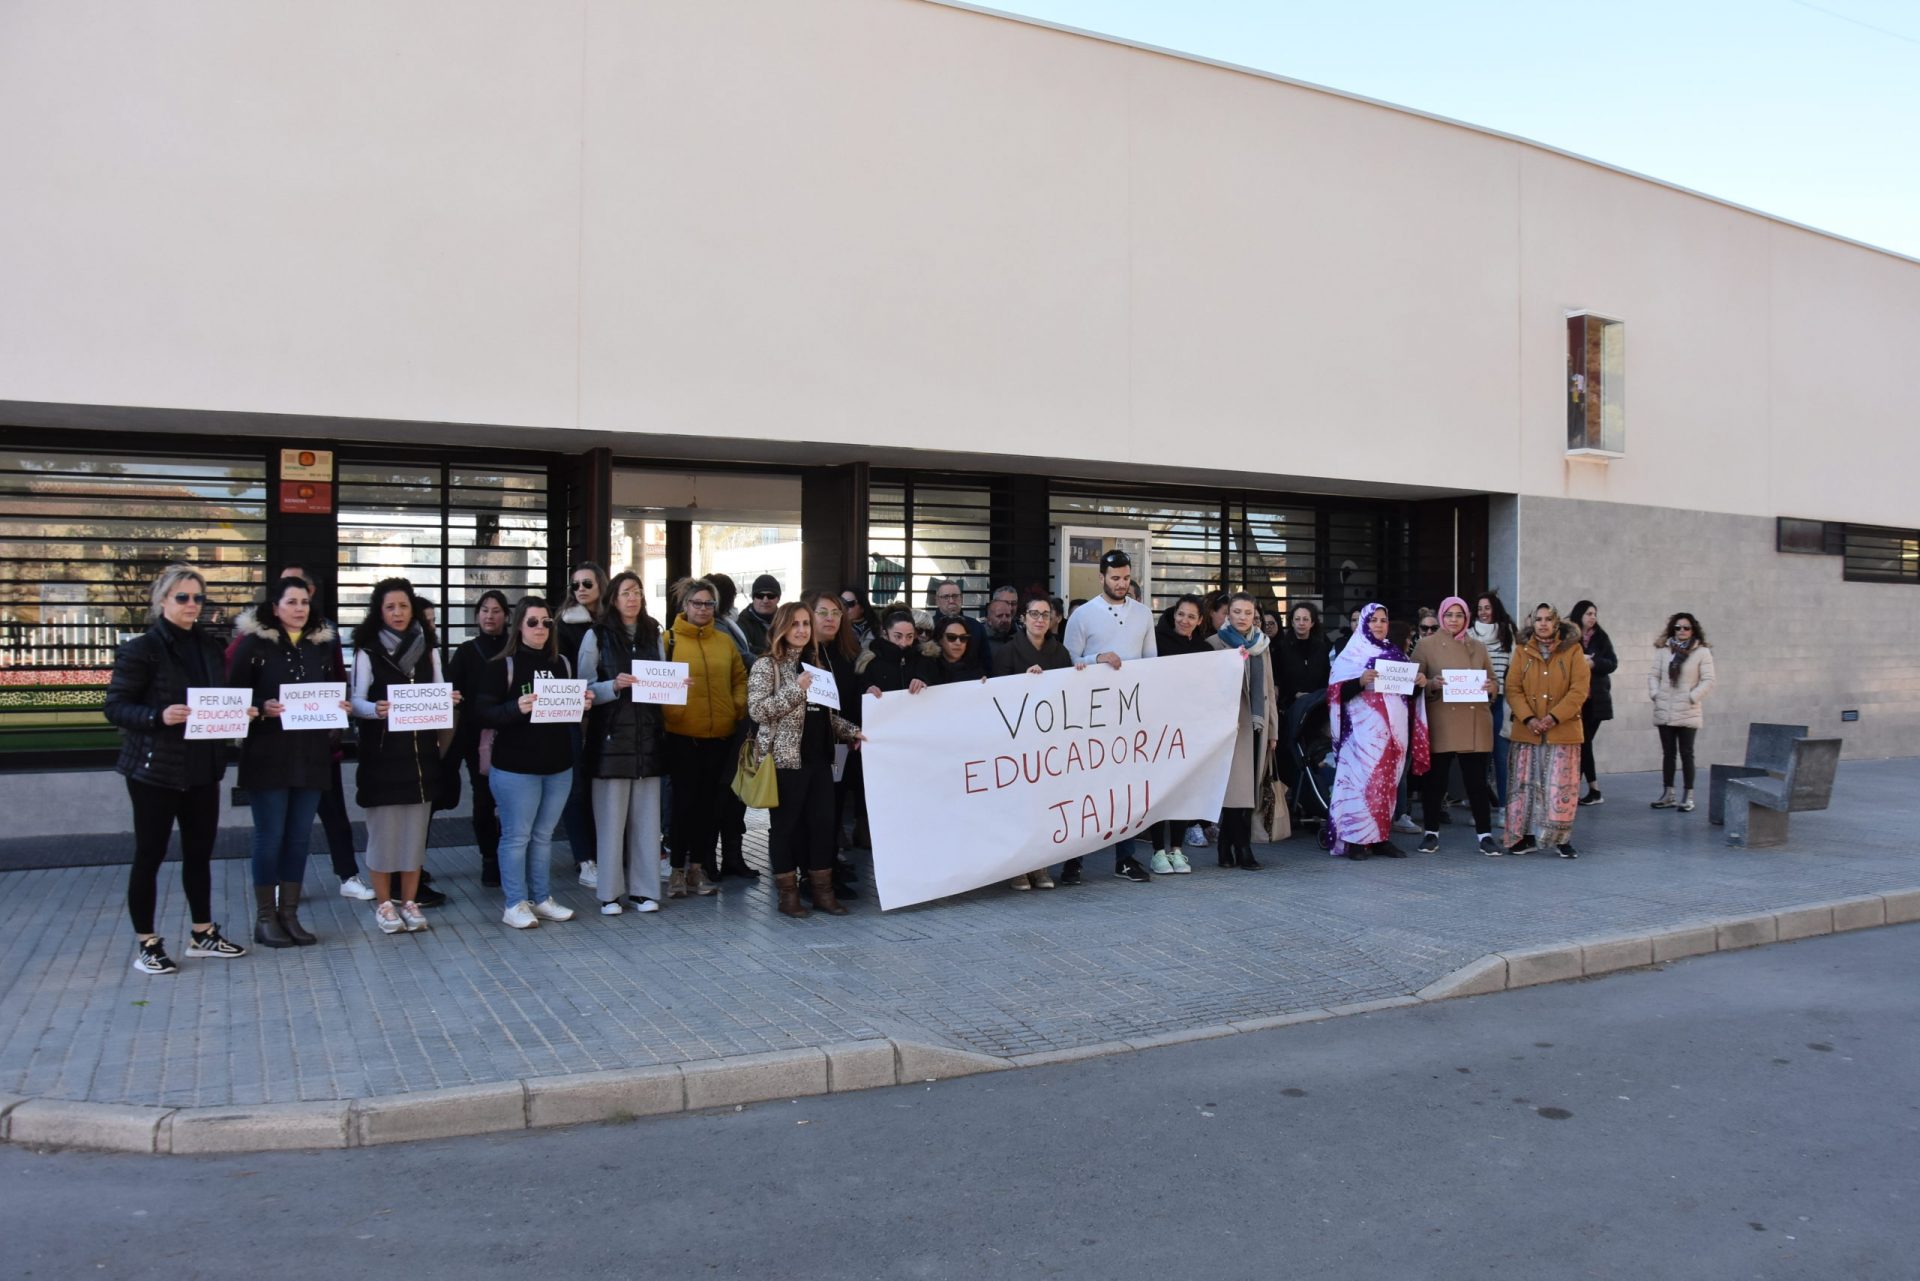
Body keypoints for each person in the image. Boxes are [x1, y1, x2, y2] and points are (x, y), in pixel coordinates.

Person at [105, 564, 252, 974]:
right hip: (154, 769)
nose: (192, 605)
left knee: (199, 854)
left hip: (202, 767)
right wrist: (159, 716)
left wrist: (240, 712)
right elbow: (115, 707)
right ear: (162, 600)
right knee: (149, 854)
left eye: (198, 598)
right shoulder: (142, 649)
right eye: (182, 597)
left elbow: (219, 699)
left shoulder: (210, 646)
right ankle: (147, 942)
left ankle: (203, 933)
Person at [228, 575, 349, 947]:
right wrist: (260, 707)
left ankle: (290, 915)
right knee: (270, 837)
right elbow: (231, 696)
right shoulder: (253, 645)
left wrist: (339, 707)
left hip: (311, 755)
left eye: (304, 602)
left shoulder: (320, 646)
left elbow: (333, 688)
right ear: (275, 606)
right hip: (268, 755)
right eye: (291, 602)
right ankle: (266, 918)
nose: (299, 609)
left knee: (298, 837)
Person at [475, 596, 592, 928]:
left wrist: (583, 703)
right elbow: (482, 713)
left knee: (543, 836)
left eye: (546, 622)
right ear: (519, 626)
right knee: (517, 837)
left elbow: (569, 712)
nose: (540, 628)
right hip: (515, 767)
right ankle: (514, 903)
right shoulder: (503, 665)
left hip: (557, 765)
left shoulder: (563, 663)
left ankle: (540, 898)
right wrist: (516, 708)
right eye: (532, 622)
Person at [349, 578, 456, 934]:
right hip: (382, 755)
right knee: (383, 834)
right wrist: (374, 709)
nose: (397, 613)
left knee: (413, 835)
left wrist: (448, 699)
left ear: (413, 610)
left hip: (420, 756)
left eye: (403, 606)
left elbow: (440, 692)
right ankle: (384, 904)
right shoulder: (367, 650)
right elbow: (356, 701)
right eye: (390, 607)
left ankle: (409, 901)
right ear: (379, 612)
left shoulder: (429, 648)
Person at [748, 603, 866, 917]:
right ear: (781, 628)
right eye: (795, 624)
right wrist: (796, 689)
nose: (801, 630)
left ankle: (822, 893)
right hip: (785, 761)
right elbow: (758, 711)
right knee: (786, 828)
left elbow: (827, 716)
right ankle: (788, 896)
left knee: (823, 826)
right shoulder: (767, 665)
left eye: (805, 624)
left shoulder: (816, 664)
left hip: (820, 759)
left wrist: (853, 731)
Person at [577, 571, 672, 916]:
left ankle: (644, 891)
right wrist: (613, 686)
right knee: (611, 822)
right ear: (613, 599)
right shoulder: (596, 635)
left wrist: (675, 685)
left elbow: (663, 678)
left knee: (647, 823)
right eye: (626, 592)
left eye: (637, 592)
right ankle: (610, 893)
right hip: (610, 740)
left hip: (648, 738)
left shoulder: (653, 633)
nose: (633, 598)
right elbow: (583, 688)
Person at [1062, 549, 1159, 883]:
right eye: (1115, 578)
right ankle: (1073, 859)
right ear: (1101, 577)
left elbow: (1151, 661)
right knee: (1083, 784)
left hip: (1130, 711)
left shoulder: (1143, 614)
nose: (1121, 583)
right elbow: (1067, 660)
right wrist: (1096, 659)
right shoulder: (1082, 615)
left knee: (1126, 786)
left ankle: (1125, 858)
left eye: (1126, 578)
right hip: (1090, 712)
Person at [662, 578, 749, 898]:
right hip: (682, 736)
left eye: (708, 603)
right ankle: (676, 871)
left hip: (720, 736)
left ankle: (697, 870)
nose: (702, 609)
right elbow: (655, 684)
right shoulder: (668, 640)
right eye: (696, 603)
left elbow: (740, 679)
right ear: (685, 605)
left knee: (709, 807)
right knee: (682, 806)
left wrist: (736, 707)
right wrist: (673, 712)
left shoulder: (724, 642)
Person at [1323, 603, 1428, 860]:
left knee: (1387, 782)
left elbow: (1406, 694)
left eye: (1383, 620)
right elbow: (1335, 693)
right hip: (1361, 732)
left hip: (1393, 732)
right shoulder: (1352, 654)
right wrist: (1360, 681)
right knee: (1361, 782)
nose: (1379, 625)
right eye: (1374, 620)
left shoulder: (1396, 654)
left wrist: (1419, 684)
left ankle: (1381, 838)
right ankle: (1356, 841)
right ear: (1364, 623)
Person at [990, 596, 1076, 890]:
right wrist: (1023, 682)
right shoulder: (1007, 651)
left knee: (1045, 804)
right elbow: (996, 696)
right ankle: (1018, 867)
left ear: (1053, 619)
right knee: (1019, 805)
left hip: (1048, 739)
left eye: (1045, 615)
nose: (1039, 619)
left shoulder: (1060, 652)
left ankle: (1040, 865)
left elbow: (1067, 692)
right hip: (1017, 740)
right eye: (1034, 614)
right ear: (1023, 618)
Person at [1502, 603, 1591, 858]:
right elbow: (1513, 688)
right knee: (1526, 785)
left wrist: (1554, 717)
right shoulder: (1522, 651)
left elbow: (1579, 690)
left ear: (1556, 622)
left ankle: (1561, 839)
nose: (1542, 624)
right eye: (1538, 619)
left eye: (1547, 619)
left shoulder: (1573, 650)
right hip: (1527, 730)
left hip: (1562, 730)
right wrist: (1529, 718)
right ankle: (1526, 837)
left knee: (1560, 787)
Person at [1411, 597, 1499, 855]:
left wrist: (1491, 687)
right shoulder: (1425, 645)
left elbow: (1493, 680)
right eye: (1449, 614)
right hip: (1441, 721)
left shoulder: (1478, 647)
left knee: (1477, 783)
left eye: (1459, 615)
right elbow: (1412, 681)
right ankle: (1431, 833)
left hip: (1474, 722)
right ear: (1441, 616)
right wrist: (1431, 684)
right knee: (1435, 782)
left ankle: (1485, 835)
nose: (1454, 620)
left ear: (1466, 618)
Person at [1206, 593, 1279, 871]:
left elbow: (1268, 688)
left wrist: (1273, 729)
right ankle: (1242, 847)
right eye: (1237, 611)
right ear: (1228, 614)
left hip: (1257, 725)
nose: (1242, 617)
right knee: (1236, 791)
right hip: (1231, 726)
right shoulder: (1215, 643)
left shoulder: (1262, 644)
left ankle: (1226, 844)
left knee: (1249, 790)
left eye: (1248, 612)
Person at [802, 589, 868, 893]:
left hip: (841, 745)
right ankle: (809, 873)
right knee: (812, 812)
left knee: (835, 805)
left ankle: (829, 867)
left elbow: (853, 698)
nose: (830, 619)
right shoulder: (801, 655)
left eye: (836, 613)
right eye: (823, 612)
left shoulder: (846, 654)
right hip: (808, 748)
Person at [447, 589, 510, 886]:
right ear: (476, 616)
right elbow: (452, 692)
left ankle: (510, 856)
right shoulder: (466, 651)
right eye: (484, 610)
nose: (490, 616)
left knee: (512, 800)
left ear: (507, 616)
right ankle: (489, 858)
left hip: (513, 734)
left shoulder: (516, 648)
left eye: (496, 611)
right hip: (476, 738)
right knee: (483, 799)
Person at [556, 562, 607, 891]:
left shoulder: (613, 622)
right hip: (574, 714)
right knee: (575, 788)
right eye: (575, 585)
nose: (580, 590)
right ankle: (584, 856)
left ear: (601, 585)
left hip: (608, 711)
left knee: (602, 785)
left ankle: (606, 850)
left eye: (587, 583)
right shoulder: (562, 625)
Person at [1151, 595, 1210, 867]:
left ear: (1200, 621)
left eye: (1191, 616)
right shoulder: (1155, 641)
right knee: (1159, 790)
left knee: (1183, 790)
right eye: (1181, 614)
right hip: (1158, 726)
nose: (1185, 620)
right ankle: (1157, 851)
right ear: (1174, 614)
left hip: (1189, 728)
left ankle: (1176, 849)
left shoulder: (1205, 649)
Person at [1648, 612, 1716, 812]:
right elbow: (1653, 675)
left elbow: (1709, 680)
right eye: (1678, 627)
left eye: (1686, 627)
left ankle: (1688, 796)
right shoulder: (1663, 651)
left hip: (1688, 710)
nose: (1682, 631)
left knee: (1687, 753)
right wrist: (1655, 694)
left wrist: (1692, 697)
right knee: (1668, 754)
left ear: (1693, 630)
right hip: (1665, 709)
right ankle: (1668, 794)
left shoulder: (1702, 652)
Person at [1471, 592, 1518, 810]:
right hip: (1475, 702)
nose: (1483, 612)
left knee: (1501, 756)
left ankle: (1503, 808)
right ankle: (1479, 808)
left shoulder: (1507, 632)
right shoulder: (1468, 634)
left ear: (1495, 609)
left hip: (1501, 701)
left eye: (1487, 608)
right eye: (1480, 608)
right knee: (1479, 758)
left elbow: (1514, 667)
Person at [1568, 599, 1618, 806]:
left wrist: (1593, 662)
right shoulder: (1569, 635)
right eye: (1589, 613)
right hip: (1576, 698)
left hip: (1596, 699)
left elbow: (1612, 663)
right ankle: (1583, 789)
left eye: (1594, 614)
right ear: (1579, 614)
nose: (1592, 617)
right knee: (1582, 744)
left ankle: (1590, 790)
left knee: (1584, 743)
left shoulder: (1601, 637)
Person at [858, 609, 940, 695]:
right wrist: (867, 690)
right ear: (885, 633)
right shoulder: (871, 662)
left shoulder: (925, 660)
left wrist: (925, 682)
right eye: (898, 636)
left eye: (909, 636)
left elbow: (937, 689)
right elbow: (857, 692)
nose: (903, 643)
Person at [928, 578, 990, 658]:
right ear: (937, 601)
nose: (951, 600)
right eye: (946, 597)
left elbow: (985, 660)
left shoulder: (976, 627)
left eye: (955, 596)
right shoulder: (928, 628)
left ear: (961, 598)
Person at [932, 615, 990, 683]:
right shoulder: (928, 669)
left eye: (963, 638)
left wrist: (985, 684)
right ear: (939, 639)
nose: (958, 643)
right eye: (951, 637)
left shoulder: (977, 672)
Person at [736, 574, 782, 656]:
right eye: (760, 596)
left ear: (778, 599)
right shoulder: (742, 623)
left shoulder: (786, 620)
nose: (765, 600)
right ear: (753, 598)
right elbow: (745, 652)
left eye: (770, 596)